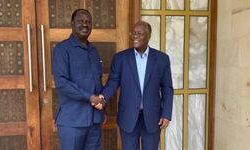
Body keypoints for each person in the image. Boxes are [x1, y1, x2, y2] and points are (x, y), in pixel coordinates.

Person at [98, 21, 174, 150]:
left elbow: (167, 87)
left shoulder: (162, 59)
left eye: (140, 33)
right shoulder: (120, 58)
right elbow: (113, 81)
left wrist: (166, 113)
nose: (135, 36)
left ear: (149, 36)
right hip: (128, 117)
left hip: (152, 118)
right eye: (133, 33)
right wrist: (103, 97)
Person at [52, 9, 105, 150]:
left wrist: (102, 99)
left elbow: (97, 82)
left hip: (94, 121)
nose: (85, 24)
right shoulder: (62, 49)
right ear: (72, 24)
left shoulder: (94, 51)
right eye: (80, 21)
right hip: (72, 122)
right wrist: (90, 97)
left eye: (88, 21)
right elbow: (62, 83)